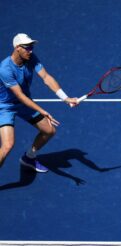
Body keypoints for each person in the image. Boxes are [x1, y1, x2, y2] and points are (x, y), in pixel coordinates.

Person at [0, 33, 78, 173]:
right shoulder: (5, 69)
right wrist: (43, 111)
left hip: (23, 104)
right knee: (7, 145)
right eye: (27, 47)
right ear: (17, 48)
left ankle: (29, 157)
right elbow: (20, 95)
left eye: (32, 47)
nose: (31, 50)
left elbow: (46, 77)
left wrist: (65, 98)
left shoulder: (30, 58)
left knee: (49, 131)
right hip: (5, 107)